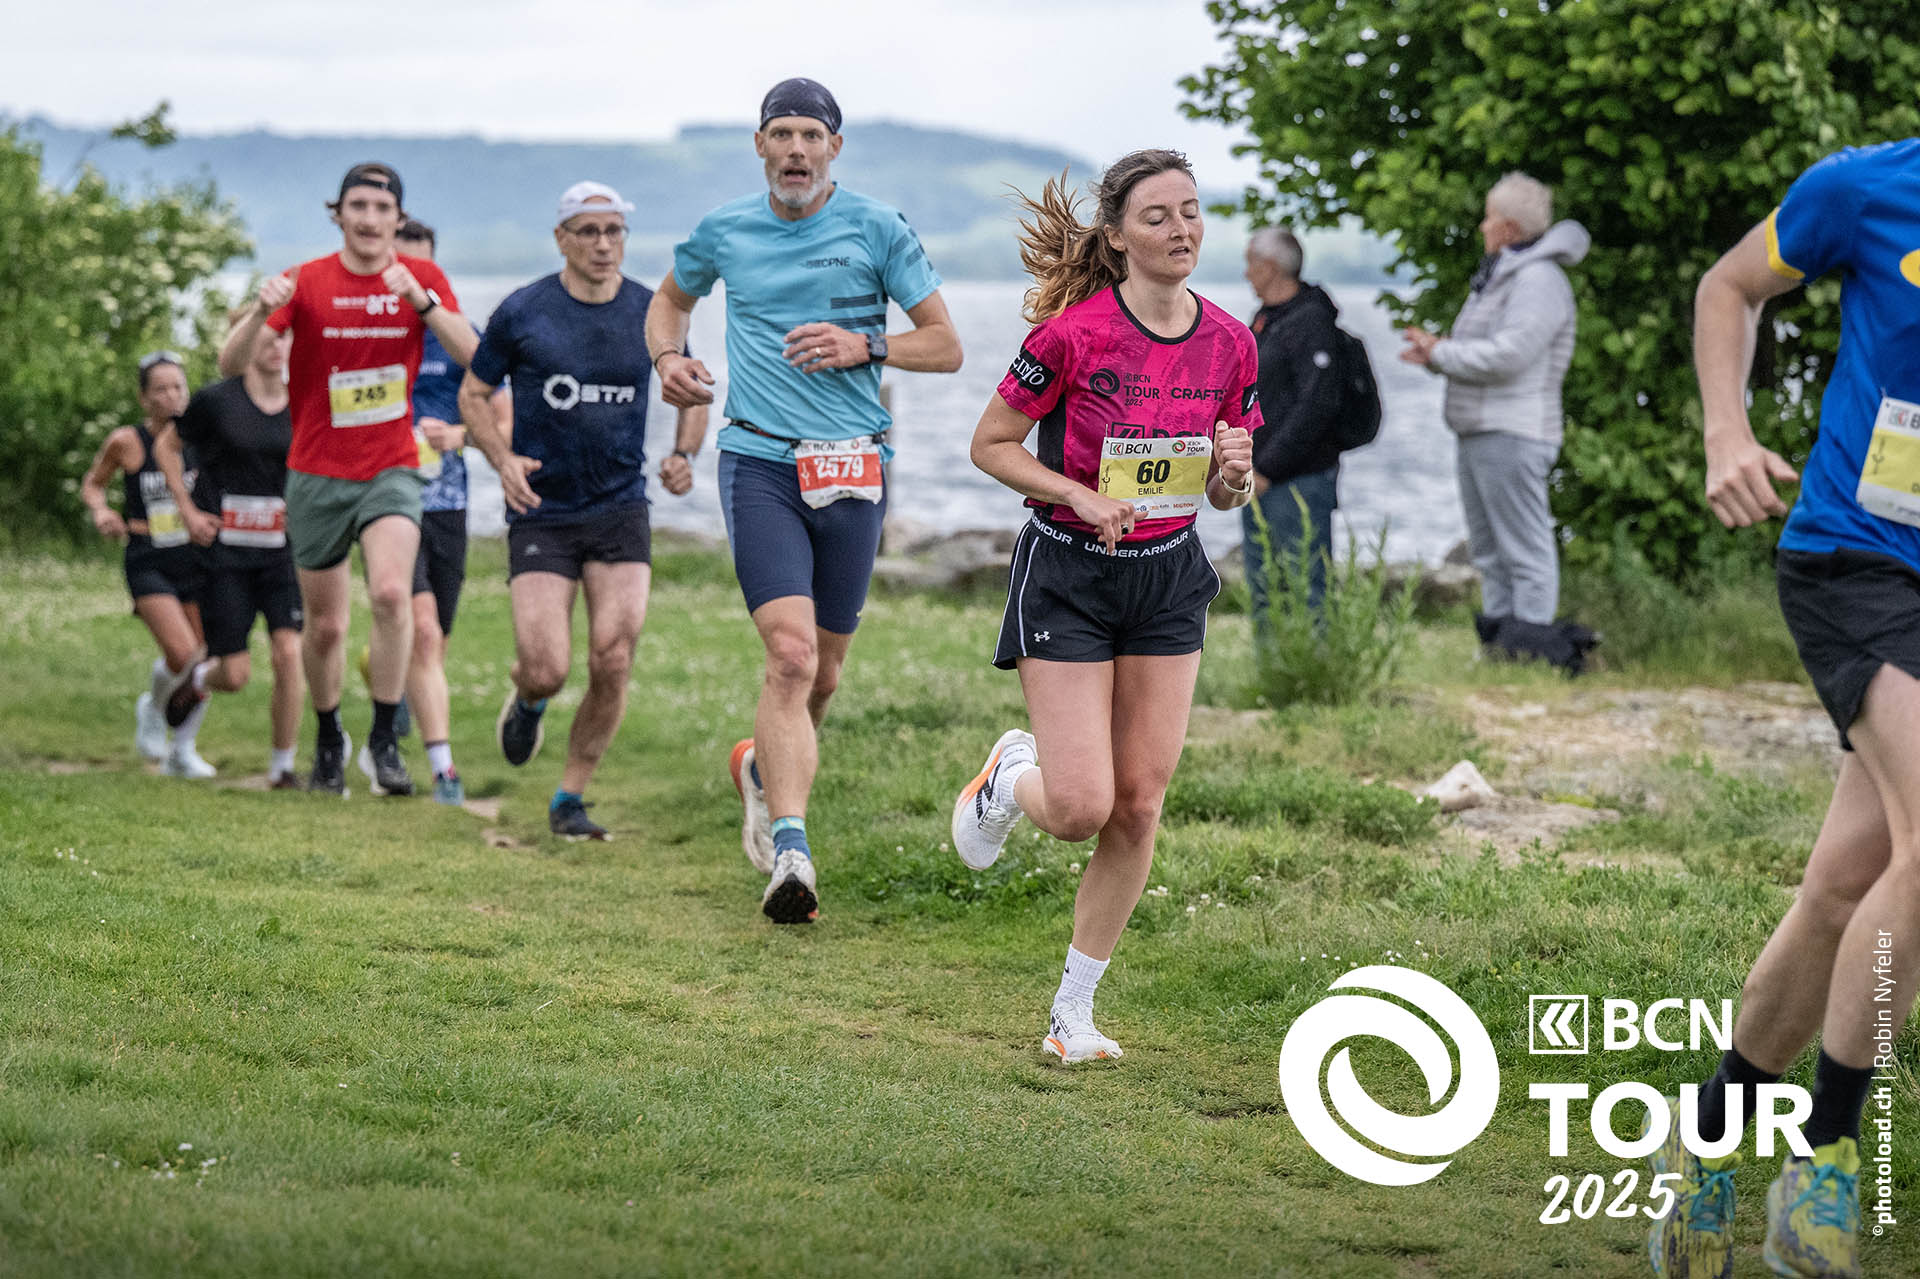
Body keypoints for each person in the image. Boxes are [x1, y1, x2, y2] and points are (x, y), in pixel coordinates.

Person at [1643, 138, 1920, 1279]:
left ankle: (1702, 1148)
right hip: (1857, 558)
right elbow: (1729, 286)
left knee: (1846, 885)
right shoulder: (1867, 188)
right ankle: (1824, 1165)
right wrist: (1726, 429)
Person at [949, 150, 1259, 1063]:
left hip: (1167, 577)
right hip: (1070, 574)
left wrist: (1235, 475)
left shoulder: (1231, 342)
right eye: (1158, 216)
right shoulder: (1071, 336)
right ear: (1119, 236)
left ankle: (1071, 1015)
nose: (1181, 229)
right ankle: (1009, 776)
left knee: (1139, 804)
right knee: (1082, 805)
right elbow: (991, 443)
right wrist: (1076, 493)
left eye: (1191, 211)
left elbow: (1224, 493)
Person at [646, 77, 962, 923]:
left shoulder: (878, 226)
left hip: (853, 465)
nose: (796, 149)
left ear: (834, 148)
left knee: (823, 672)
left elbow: (946, 345)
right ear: (760, 146)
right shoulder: (725, 230)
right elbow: (670, 299)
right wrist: (667, 359)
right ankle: (792, 848)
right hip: (758, 460)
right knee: (789, 657)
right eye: (781, 134)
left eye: (811, 135)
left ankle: (761, 764)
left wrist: (865, 344)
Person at [220, 163, 476, 797]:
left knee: (391, 595)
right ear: (338, 215)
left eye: (382, 208)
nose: (369, 218)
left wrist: (422, 303)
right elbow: (229, 364)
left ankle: (384, 738)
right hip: (316, 472)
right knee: (327, 625)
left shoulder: (420, 279)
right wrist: (259, 312)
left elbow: (476, 356)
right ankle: (329, 736)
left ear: (397, 218)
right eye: (357, 206)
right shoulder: (306, 280)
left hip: (391, 465)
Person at [462, 181, 708, 841]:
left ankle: (569, 797)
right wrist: (501, 460)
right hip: (541, 508)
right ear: (561, 238)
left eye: (614, 231)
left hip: (619, 506)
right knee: (547, 666)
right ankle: (530, 698)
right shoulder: (524, 311)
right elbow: (474, 393)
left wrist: (683, 454)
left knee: (613, 657)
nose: (604, 244)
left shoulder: (653, 312)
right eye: (589, 231)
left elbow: (692, 387)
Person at [1399, 172, 1594, 670]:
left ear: (1507, 227)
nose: (1482, 226)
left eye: (1489, 218)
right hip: (1483, 430)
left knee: (1524, 549)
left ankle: (1533, 650)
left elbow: (1510, 355)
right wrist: (1438, 354)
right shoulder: (1504, 275)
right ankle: (1502, 649)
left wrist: (1442, 353)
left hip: (1515, 430)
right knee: (1490, 550)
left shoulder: (1538, 279)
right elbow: (1484, 350)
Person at [154, 320, 305, 789]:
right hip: (224, 554)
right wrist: (187, 511)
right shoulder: (217, 401)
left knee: (289, 653)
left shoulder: (304, 399)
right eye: (268, 337)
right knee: (235, 675)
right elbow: (167, 446)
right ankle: (199, 679)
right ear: (248, 343)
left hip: (281, 552)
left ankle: (282, 768)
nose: (277, 346)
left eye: (284, 337)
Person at [390, 216, 510, 806]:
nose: (413, 278)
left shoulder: (462, 335)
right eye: (402, 266)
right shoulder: (369, 330)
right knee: (423, 630)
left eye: (423, 267)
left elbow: (504, 419)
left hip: (448, 500)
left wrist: (460, 436)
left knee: (434, 638)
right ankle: (444, 768)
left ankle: (386, 681)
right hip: (388, 501)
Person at [78, 351, 214, 777]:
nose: (172, 396)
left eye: (178, 387)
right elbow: (93, 484)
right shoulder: (127, 442)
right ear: (143, 398)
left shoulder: (203, 439)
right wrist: (102, 511)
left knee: (204, 663)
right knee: (182, 652)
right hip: (148, 557)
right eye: (161, 389)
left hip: (197, 559)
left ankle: (183, 750)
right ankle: (153, 708)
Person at [1241, 226, 1344, 624]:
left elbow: (1317, 406)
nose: (1246, 274)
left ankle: (1315, 662)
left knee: (1308, 585)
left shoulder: (1311, 320)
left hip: (1300, 479)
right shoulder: (1266, 319)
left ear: (1270, 267)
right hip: (1257, 476)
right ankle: (1272, 661)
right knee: (1264, 584)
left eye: (1251, 264)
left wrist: (1268, 468)